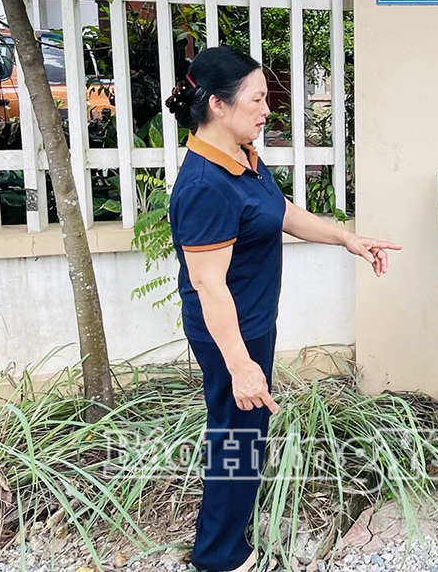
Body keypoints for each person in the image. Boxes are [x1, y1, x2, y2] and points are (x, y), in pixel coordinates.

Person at [165, 46, 401, 572]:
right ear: (219, 105)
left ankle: (228, 538)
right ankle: (219, 555)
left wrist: (347, 238)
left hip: (251, 323)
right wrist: (240, 364)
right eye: (258, 98)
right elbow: (208, 286)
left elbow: (282, 213)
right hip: (229, 332)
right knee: (235, 436)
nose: (267, 108)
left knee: (246, 434)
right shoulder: (206, 185)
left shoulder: (243, 158)